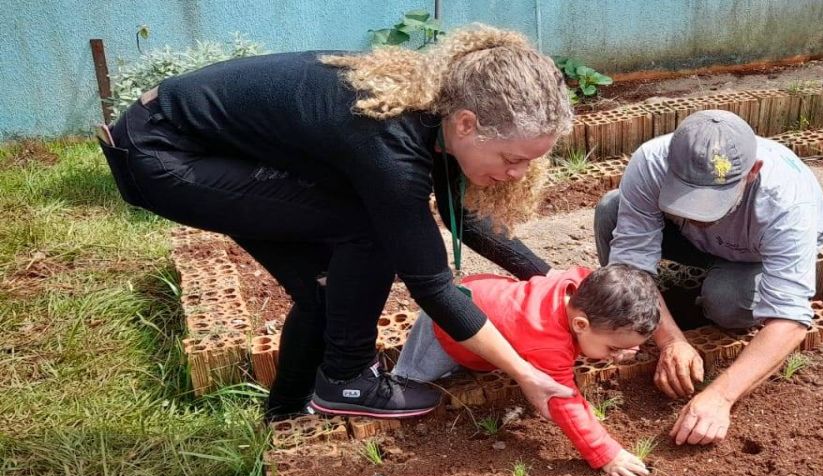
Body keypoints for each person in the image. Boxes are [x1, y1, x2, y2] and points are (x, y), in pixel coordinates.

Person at [97, 25, 577, 419]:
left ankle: (285, 413)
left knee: (327, 289)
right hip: (162, 154)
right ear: (468, 124)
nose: (516, 174)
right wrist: (523, 371)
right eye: (512, 159)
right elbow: (432, 283)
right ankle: (347, 379)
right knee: (369, 232)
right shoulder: (390, 140)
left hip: (210, 147)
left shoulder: (438, 113)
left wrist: (550, 279)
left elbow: (464, 218)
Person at [594, 110, 823, 446]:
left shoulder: (788, 206)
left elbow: (790, 319)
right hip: (689, 240)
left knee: (727, 301)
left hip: (752, 254)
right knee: (611, 210)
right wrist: (671, 341)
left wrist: (720, 397)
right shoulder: (652, 160)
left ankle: (696, 297)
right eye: (686, 197)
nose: (696, 212)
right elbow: (631, 263)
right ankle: (649, 317)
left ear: (752, 172)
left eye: (711, 202)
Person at [387, 264, 657, 476]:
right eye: (613, 348)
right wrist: (606, 454)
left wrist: (614, 346)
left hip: (485, 294)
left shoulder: (579, 287)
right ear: (580, 324)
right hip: (447, 326)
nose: (619, 354)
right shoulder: (548, 342)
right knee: (411, 381)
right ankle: (390, 384)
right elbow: (563, 401)